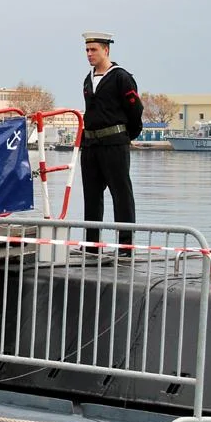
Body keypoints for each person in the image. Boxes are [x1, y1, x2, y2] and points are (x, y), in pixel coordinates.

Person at [80, 31, 144, 254]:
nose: (89, 54)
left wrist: (125, 136)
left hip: (114, 143)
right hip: (90, 145)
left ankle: (125, 245)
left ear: (106, 50)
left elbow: (136, 110)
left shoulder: (121, 77)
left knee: (121, 193)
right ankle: (91, 244)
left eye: (93, 50)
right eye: (87, 50)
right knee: (91, 195)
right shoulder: (88, 79)